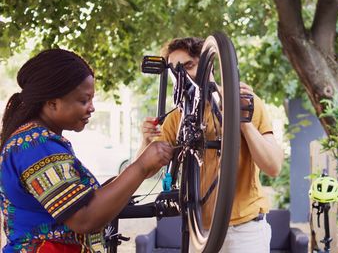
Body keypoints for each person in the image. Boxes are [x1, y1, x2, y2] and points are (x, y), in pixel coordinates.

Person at [0, 49, 174, 252]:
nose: (91, 108)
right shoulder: (37, 147)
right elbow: (85, 218)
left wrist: (142, 161)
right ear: (52, 103)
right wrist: (141, 167)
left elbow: (92, 198)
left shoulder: (36, 141)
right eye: (83, 100)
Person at [139, 37, 284, 252]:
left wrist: (240, 119)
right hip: (200, 232)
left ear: (209, 64)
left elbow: (273, 167)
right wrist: (145, 141)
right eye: (175, 70)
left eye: (189, 65)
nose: (183, 76)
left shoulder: (245, 100)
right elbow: (145, 171)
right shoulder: (177, 118)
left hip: (245, 231)